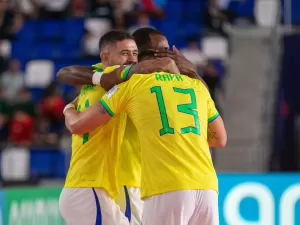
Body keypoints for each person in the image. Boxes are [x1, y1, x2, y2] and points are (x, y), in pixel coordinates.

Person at [63, 55, 227, 225]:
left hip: (160, 184)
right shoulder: (196, 86)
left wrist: (69, 108)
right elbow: (220, 139)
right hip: (207, 185)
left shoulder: (131, 85)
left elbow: (79, 124)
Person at [59, 30, 142, 225]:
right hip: (93, 184)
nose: (131, 59)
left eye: (135, 53)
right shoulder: (109, 81)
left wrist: (68, 108)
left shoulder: (100, 81)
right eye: (125, 53)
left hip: (97, 184)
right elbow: (64, 73)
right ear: (105, 57)